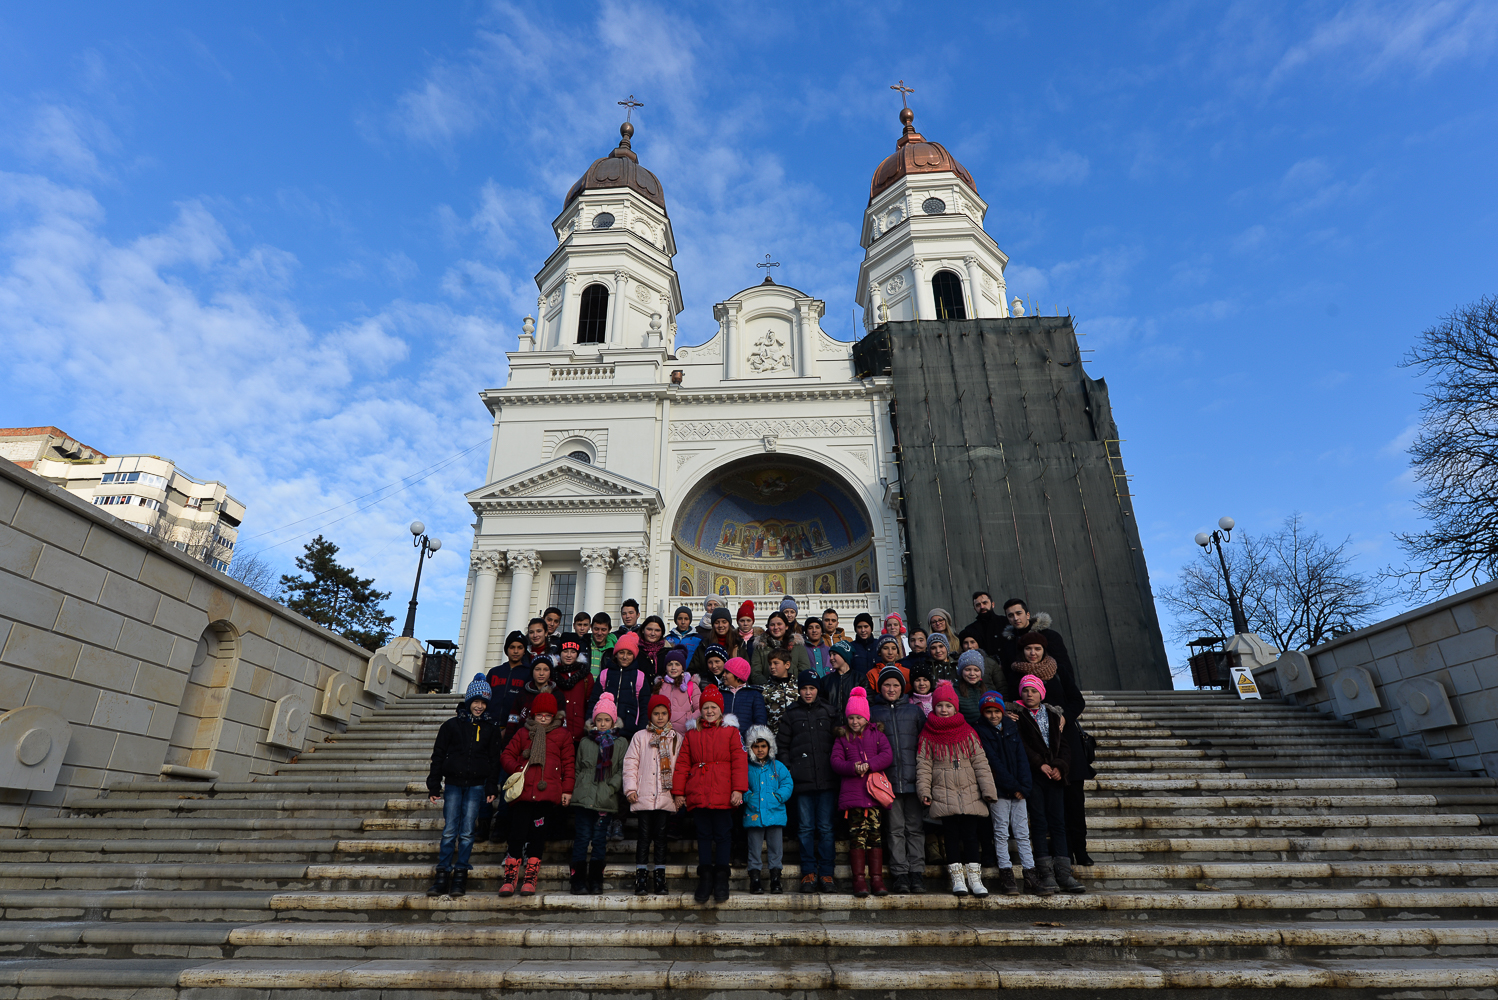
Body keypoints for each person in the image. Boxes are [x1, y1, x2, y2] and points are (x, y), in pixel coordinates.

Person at [1005, 622, 1092, 866]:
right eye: (1029, 649)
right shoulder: (1016, 674)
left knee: (1074, 801)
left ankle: (1080, 850)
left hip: (1065, 740)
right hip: (1036, 743)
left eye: (1037, 649)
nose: (1033, 653)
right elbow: (1009, 700)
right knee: (1047, 806)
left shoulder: (1059, 670)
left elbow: (1077, 700)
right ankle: (1058, 852)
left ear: (1044, 650)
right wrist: (1010, 712)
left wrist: (1064, 716)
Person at [916, 680, 998, 898]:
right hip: (943, 791)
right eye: (940, 705)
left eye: (948, 706)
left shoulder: (968, 731)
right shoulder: (927, 734)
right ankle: (957, 878)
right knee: (951, 835)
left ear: (955, 707)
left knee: (971, 836)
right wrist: (924, 791)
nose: (944, 710)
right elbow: (923, 765)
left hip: (969, 789)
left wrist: (988, 789)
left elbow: (980, 761)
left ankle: (975, 877)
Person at [425, 676, 501, 898]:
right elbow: (438, 755)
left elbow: (494, 761)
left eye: (484, 702)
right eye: (476, 701)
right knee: (450, 830)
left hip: (477, 786)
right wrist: (433, 785)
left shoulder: (491, 729)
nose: (479, 706)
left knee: (467, 831)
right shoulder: (450, 726)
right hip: (453, 784)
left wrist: (491, 787)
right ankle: (442, 874)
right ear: (468, 701)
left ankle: (460, 873)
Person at [672, 685, 748, 904]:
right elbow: (683, 763)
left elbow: (739, 762)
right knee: (704, 836)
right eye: (706, 707)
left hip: (724, 792)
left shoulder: (731, 732)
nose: (709, 711)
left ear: (720, 710)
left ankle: (722, 877)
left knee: (723, 836)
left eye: (714, 707)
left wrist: (738, 789)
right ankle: (705, 877)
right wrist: (679, 792)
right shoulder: (692, 733)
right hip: (699, 792)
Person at [1012, 673, 1085, 895]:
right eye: (1025, 690)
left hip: (1055, 777)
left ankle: (1064, 872)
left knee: (1058, 823)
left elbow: (1063, 745)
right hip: (1034, 776)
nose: (1029, 694)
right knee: (1040, 823)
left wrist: (1059, 766)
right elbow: (1021, 745)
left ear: (1041, 693)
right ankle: (1045, 873)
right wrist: (1039, 764)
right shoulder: (1018, 715)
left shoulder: (1053, 715)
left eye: (1033, 690)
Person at [498, 690, 575, 897]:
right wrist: (517, 769)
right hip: (523, 794)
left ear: (553, 716)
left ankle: (530, 877)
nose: (543, 718)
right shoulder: (524, 733)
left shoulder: (562, 735)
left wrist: (567, 789)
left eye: (547, 715)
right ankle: (510, 876)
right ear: (533, 715)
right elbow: (506, 755)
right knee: (517, 834)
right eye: (539, 714)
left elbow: (569, 764)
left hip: (546, 795)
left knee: (537, 837)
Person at [778, 669, 840, 893]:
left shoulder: (829, 712)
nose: (807, 692)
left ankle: (826, 873)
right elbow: (782, 747)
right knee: (804, 828)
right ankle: (808, 873)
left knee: (825, 828)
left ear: (817, 690)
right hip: (801, 782)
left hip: (826, 781)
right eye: (804, 688)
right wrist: (791, 769)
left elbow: (839, 744)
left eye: (811, 688)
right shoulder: (791, 713)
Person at [869, 664, 928, 893]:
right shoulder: (874, 712)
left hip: (913, 779)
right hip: (888, 782)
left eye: (895, 685)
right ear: (880, 687)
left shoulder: (914, 712)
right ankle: (900, 874)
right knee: (894, 829)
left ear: (903, 688)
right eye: (886, 685)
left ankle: (917, 873)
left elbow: (924, 745)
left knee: (915, 828)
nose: (891, 689)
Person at [831, 688, 894, 898]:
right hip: (853, 797)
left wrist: (869, 765)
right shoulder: (842, 738)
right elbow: (836, 762)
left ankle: (877, 879)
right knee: (857, 837)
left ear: (866, 718)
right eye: (851, 717)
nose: (854, 721)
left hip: (874, 795)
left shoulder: (877, 734)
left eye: (858, 717)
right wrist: (852, 768)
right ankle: (858, 879)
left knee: (875, 836)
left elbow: (887, 755)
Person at [974, 691, 1034, 896]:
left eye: (996, 711)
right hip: (999, 791)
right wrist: (1014, 787)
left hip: (1019, 791)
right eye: (988, 712)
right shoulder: (980, 731)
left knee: (1023, 834)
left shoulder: (1011, 728)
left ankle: (1030, 875)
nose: (993, 716)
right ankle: (1006, 876)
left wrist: (1024, 787)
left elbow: (1022, 759)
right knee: (1001, 833)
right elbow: (993, 763)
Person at [623, 694, 681, 896]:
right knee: (644, 837)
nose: (660, 717)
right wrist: (631, 789)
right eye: (656, 713)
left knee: (661, 838)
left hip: (665, 796)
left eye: (664, 713)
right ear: (650, 715)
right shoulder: (640, 737)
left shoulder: (676, 738)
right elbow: (631, 763)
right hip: (644, 795)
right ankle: (640, 876)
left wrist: (679, 793)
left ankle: (659, 876)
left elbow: (680, 767)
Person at [570, 695, 624, 894]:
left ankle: (595, 879)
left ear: (613, 721)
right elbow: (577, 768)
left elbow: (621, 769)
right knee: (582, 837)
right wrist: (578, 787)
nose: (602, 724)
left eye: (606, 720)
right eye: (599, 720)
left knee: (600, 839)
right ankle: (577, 880)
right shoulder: (585, 742)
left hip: (604, 798)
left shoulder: (620, 743)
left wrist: (611, 787)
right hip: (584, 798)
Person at [743, 724, 793, 895]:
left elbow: (787, 783)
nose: (760, 750)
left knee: (775, 848)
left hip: (775, 812)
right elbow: (742, 785)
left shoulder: (777, 766)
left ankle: (775, 878)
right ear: (751, 747)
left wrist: (779, 796)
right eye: (756, 746)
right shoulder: (747, 767)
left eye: (763, 746)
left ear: (769, 746)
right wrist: (747, 796)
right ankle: (755, 879)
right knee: (754, 848)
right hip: (754, 813)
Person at [588, 631, 648, 736]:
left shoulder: (640, 676)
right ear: (615, 654)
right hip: (605, 730)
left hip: (630, 731)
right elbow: (594, 701)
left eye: (629, 653)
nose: (625, 657)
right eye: (621, 652)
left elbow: (644, 707)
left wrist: (641, 731)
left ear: (634, 655)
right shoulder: (605, 674)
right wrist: (590, 725)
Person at [506, 656, 558, 744]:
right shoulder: (522, 694)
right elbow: (512, 723)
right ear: (532, 671)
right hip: (523, 742)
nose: (541, 673)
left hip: (549, 743)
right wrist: (507, 744)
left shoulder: (557, 695)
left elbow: (560, 724)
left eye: (546, 669)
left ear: (550, 672)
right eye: (537, 669)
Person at [552, 636, 594, 745]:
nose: (569, 655)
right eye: (565, 651)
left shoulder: (586, 676)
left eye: (573, 651)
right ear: (560, 653)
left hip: (579, 733)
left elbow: (590, 703)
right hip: (557, 732)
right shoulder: (552, 675)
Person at [749, 611, 810, 685]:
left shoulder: (798, 646)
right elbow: (755, 673)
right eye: (772, 625)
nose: (775, 627)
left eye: (779, 624)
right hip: (767, 692)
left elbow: (804, 671)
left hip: (793, 691)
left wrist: (792, 686)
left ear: (786, 626)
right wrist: (768, 687)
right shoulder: (760, 647)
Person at [718, 656, 767, 743]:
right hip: (722, 741)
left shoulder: (754, 695)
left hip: (746, 743)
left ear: (737, 675)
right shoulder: (720, 693)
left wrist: (752, 740)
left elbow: (760, 721)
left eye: (727, 672)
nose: (723, 675)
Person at [653, 648, 700, 735]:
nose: (673, 667)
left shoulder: (691, 686)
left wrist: (688, 719)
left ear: (682, 668)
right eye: (670, 664)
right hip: (662, 734)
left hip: (684, 734)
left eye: (677, 664)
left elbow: (700, 708)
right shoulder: (659, 686)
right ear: (666, 667)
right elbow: (652, 709)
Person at [688, 609, 741, 677]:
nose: (720, 625)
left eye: (724, 622)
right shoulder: (703, 646)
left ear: (729, 624)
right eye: (716, 622)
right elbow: (692, 670)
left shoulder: (738, 644)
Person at [820, 641, 862, 718]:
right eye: (830, 655)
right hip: (831, 725)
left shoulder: (859, 679)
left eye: (834, 654)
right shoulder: (825, 681)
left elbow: (867, 704)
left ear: (844, 656)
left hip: (853, 726)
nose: (831, 658)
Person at [760, 648, 798, 733]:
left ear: (787, 665)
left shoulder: (798, 688)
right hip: (774, 737)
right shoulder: (765, 690)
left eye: (776, 663)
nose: (772, 667)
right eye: (770, 664)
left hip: (796, 736)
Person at [954, 650, 991, 728]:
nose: (972, 674)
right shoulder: (955, 690)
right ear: (961, 671)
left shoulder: (987, 690)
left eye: (976, 670)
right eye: (967, 670)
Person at [848, 613, 880, 679]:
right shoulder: (851, 647)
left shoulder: (879, 645)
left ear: (871, 628)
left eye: (866, 627)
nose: (863, 630)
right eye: (859, 627)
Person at [583, 613, 616, 678]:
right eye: (596, 629)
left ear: (609, 629)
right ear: (591, 627)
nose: (599, 633)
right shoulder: (583, 645)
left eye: (603, 630)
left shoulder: (614, 650)